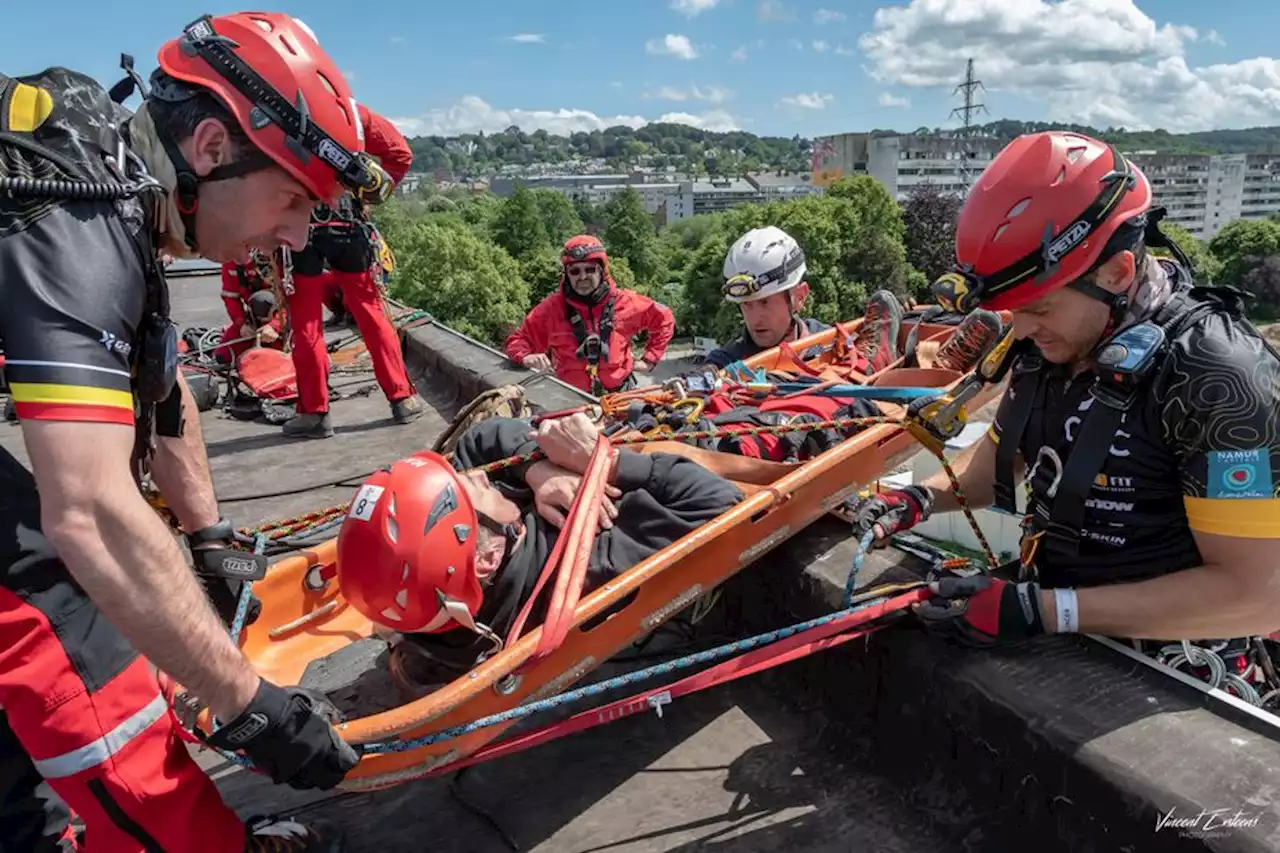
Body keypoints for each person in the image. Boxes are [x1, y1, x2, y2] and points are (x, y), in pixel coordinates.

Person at [1, 13, 375, 851]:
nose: (296, 236)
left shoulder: (110, 180)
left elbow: (157, 387)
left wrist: (208, 537)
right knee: (53, 613)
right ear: (209, 148)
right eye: (292, 198)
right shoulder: (76, 210)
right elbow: (91, 511)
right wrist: (249, 704)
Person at [849, 130, 1280, 648]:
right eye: (1015, 311)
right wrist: (916, 499)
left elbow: (1256, 594)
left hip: (1175, 667)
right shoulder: (1055, 340)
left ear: (1118, 272)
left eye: (1039, 309)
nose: (1022, 330)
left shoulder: (1217, 376)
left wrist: (1047, 611)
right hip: (1060, 623)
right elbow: (995, 467)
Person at [335, 412, 744, 692]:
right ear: (487, 557)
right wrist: (603, 463)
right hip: (682, 465)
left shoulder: (447, 599)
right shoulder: (590, 557)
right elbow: (721, 501)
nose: (476, 477)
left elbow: (478, 441)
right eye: (470, 492)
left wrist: (538, 473)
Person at [281, 101, 424, 439]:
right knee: (371, 312)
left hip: (299, 225)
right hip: (348, 223)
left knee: (306, 321)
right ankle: (401, 398)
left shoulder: (274, 106)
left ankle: (314, 412)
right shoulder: (348, 110)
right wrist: (369, 194)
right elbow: (399, 154)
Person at [504, 235, 676, 395]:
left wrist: (649, 359)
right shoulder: (551, 309)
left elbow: (664, 317)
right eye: (575, 271)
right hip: (571, 398)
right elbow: (519, 340)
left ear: (601, 271)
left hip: (620, 395)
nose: (583, 277)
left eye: (589, 269)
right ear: (567, 274)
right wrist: (526, 357)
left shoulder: (626, 302)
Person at [214, 254, 285, 363]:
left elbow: (293, 300)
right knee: (223, 356)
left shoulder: (278, 256)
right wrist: (242, 323)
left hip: (285, 317)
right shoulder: (230, 259)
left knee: (261, 300)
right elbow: (230, 297)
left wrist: (275, 326)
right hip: (253, 318)